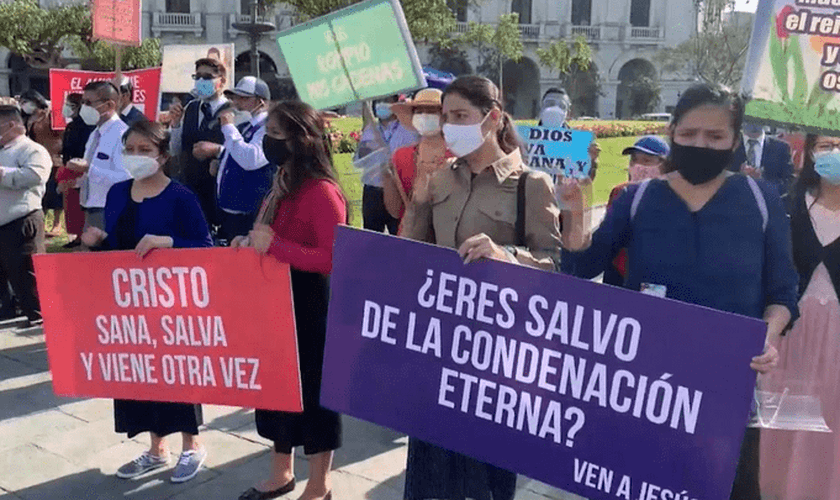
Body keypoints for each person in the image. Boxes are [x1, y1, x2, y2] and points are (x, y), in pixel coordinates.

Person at [557, 83, 799, 500]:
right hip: (646, 387)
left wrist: (769, 334)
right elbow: (580, 266)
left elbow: (783, 291)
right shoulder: (638, 199)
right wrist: (574, 210)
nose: (700, 145)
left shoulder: (762, 200)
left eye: (715, 137)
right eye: (688, 135)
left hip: (729, 386)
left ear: (735, 140)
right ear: (672, 132)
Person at [400, 75, 561, 500]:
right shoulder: (440, 179)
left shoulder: (531, 184)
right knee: (430, 472)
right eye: (445, 117)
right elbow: (409, 255)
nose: (450, 126)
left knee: (486, 477)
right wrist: (417, 199)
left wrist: (505, 255)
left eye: (460, 116)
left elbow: (556, 268)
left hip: (497, 355)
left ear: (491, 118)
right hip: (438, 345)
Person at [81, 120, 212, 483]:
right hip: (130, 307)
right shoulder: (118, 192)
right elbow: (121, 249)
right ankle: (157, 448)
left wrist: (169, 242)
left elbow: (206, 249)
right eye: (130, 150)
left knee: (177, 377)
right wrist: (98, 241)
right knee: (143, 377)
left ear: (163, 156)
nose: (136, 157)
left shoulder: (181, 197)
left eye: (145, 150)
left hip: (173, 305)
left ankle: (192, 445)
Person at [232, 101, 346, 500]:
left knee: (314, 395)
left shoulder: (323, 192)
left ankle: (320, 484)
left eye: (277, 136)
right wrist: (248, 244)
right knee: (277, 390)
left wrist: (278, 246)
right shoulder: (282, 181)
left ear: (302, 140)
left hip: (310, 306)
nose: (268, 143)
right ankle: (281, 472)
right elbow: (267, 236)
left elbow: (333, 258)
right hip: (274, 302)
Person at [758, 133, 840, 500]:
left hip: (836, 345)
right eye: (826, 144)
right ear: (808, 151)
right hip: (789, 339)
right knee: (783, 428)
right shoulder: (786, 207)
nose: (835, 154)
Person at [0, 105, 50, 327]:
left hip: (22, 219)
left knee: (24, 271)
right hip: (3, 221)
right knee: (5, 271)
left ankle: (37, 314)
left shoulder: (32, 150)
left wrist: (3, 174)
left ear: (11, 125)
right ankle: (8, 309)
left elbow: (34, 175)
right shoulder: (3, 150)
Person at [168, 58, 232, 226]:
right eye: (198, 77)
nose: (201, 81)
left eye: (207, 77)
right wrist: (174, 125)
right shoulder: (190, 108)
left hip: (220, 190)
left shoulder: (234, 111)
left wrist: (218, 150)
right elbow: (175, 149)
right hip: (191, 187)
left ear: (222, 81)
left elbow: (242, 152)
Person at [602, 135, 670, 287]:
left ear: (664, 165)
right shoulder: (619, 192)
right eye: (634, 160)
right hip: (617, 272)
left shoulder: (674, 199)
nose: (638, 166)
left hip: (653, 278)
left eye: (646, 161)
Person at [65, 81, 130, 231]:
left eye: (89, 103)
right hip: (90, 206)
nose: (84, 108)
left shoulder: (123, 135)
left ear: (109, 105)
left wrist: (89, 169)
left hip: (110, 209)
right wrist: (76, 181)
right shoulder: (95, 133)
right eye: (83, 102)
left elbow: (127, 178)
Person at [214, 76, 273, 242]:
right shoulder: (247, 126)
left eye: (244, 98)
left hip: (249, 212)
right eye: (235, 97)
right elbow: (234, 151)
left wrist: (228, 127)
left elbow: (251, 160)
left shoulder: (267, 127)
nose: (237, 103)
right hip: (230, 209)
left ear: (261, 102)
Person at [384, 88, 451, 223]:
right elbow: (396, 211)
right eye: (419, 112)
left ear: (444, 117)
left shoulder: (459, 156)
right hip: (411, 233)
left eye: (431, 112)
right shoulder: (401, 156)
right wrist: (386, 178)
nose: (424, 116)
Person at [355, 95, 418, 234]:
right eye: (378, 102)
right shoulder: (370, 129)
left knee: (399, 235)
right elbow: (359, 160)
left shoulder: (409, 130)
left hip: (399, 190)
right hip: (372, 191)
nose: (381, 105)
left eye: (386, 101)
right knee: (371, 238)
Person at [19, 90, 63, 237]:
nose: (25, 105)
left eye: (27, 102)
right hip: (34, 158)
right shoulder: (27, 117)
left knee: (54, 191)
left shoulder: (51, 114)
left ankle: (57, 224)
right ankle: (42, 223)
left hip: (53, 157)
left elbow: (60, 133)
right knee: (40, 192)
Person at [55, 93, 94, 248]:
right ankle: (76, 236)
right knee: (70, 206)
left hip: (81, 169)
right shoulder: (71, 125)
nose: (65, 107)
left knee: (80, 206)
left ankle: (83, 236)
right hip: (69, 167)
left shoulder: (88, 126)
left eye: (70, 104)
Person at [729, 120, 795, 196]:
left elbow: (789, 183)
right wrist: (738, 177)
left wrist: (763, 181)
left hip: (767, 204)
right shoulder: (729, 145)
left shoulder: (781, 148)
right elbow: (717, 177)